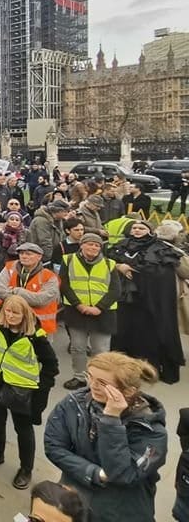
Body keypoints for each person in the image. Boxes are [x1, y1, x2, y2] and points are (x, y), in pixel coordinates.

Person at [44, 352, 167, 522]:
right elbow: (53, 446)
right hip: (75, 502)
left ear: (129, 391)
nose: (92, 386)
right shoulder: (74, 403)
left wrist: (111, 420)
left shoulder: (152, 431)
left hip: (121, 512)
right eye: (90, 377)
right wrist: (94, 473)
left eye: (102, 383)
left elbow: (123, 474)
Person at [0, 295, 58, 490]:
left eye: (16, 313)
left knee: (23, 429)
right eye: (7, 311)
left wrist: (40, 391)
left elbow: (51, 366)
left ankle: (26, 469)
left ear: (25, 315)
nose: (10, 316)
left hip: (21, 390)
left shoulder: (35, 336)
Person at [109, 218, 187, 383]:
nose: (137, 230)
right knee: (123, 333)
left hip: (150, 302)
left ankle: (149, 369)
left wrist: (139, 274)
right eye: (134, 228)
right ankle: (124, 370)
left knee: (149, 337)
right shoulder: (120, 246)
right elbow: (106, 265)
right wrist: (118, 267)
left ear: (150, 231)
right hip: (124, 302)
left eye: (141, 228)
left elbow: (162, 276)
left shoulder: (161, 249)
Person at [60, 233, 121, 390]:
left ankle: (100, 380)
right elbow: (64, 285)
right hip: (76, 311)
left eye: (97, 245)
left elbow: (115, 290)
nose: (93, 247)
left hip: (103, 313)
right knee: (78, 347)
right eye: (90, 244)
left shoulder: (109, 264)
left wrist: (99, 307)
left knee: (101, 350)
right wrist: (79, 305)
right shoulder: (68, 260)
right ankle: (80, 377)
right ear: (81, 245)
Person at [0, 242, 60, 335]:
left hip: (39, 327)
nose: (24, 256)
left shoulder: (49, 277)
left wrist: (17, 291)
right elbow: (0, 291)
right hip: (10, 323)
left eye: (28, 254)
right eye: (21, 253)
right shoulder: (9, 268)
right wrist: (29, 297)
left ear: (39, 257)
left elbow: (40, 300)